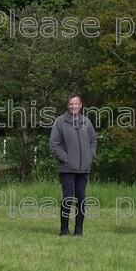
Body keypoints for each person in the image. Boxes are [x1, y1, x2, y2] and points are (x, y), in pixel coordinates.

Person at [49, 93, 97, 236]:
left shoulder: (86, 122)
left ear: (81, 105)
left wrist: (90, 156)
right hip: (67, 169)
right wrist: (66, 158)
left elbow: (93, 140)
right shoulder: (59, 122)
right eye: (71, 104)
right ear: (67, 105)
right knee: (68, 199)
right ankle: (64, 230)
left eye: (76, 104)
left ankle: (79, 230)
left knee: (81, 199)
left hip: (84, 169)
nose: (74, 106)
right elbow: (53, 145)